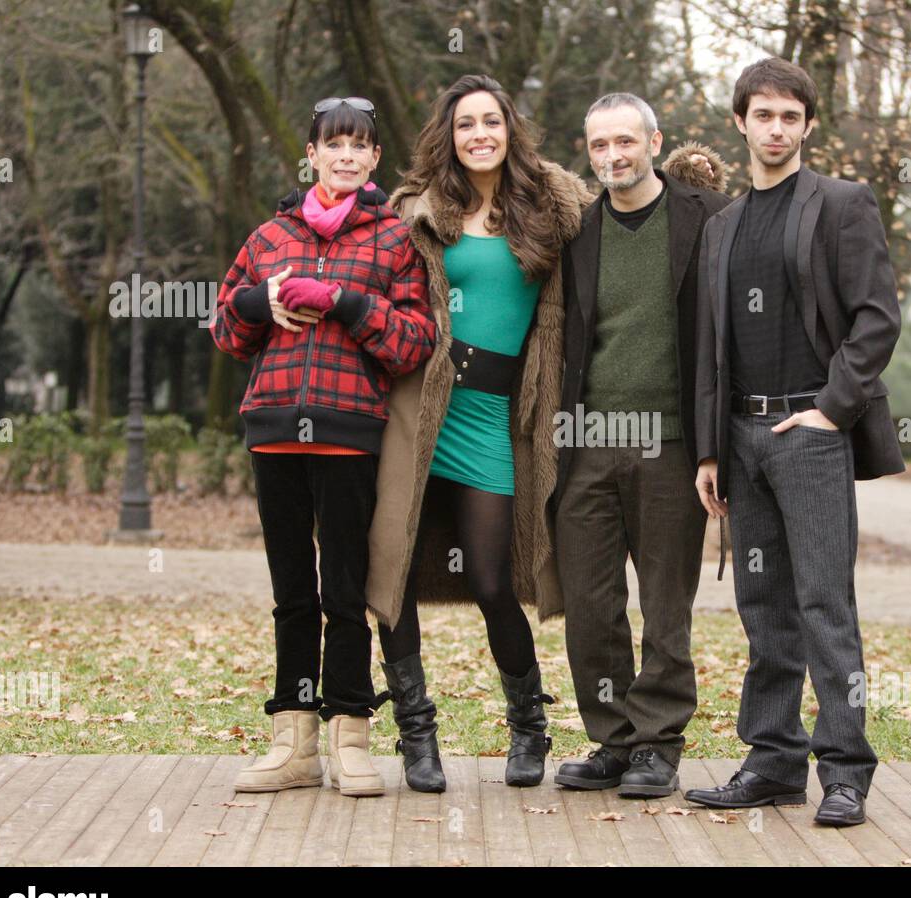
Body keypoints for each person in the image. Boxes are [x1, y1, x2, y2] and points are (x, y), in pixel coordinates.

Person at [365, 75, 722, 792]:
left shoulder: (552, 207)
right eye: (465, 124)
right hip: (424, 410)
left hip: (506, 416)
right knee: (399, 573)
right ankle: (422, 736)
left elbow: (651, 206)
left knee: (501, 579)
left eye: (490, 121)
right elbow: (367, 271)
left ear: (510, 129)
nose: (478, 136)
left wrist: (688, 176)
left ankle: (540, 727)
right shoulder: (416, 211)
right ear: (449, 134)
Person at [687, 58, 905, 826]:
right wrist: (709, 450)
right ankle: (772, 762)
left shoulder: (843, 205)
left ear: (808, 125)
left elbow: (877, 319)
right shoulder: (722, 225)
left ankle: (845, 771)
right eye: (763, 115)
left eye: (790, 116)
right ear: (740, 122)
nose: (776, 128)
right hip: (740, 439)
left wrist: (829, 411)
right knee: (762, 606)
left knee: (824, 604)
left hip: (809, 437)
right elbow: (712, 348)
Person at [210, 96, 435, 798]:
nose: (344, 155)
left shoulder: (394, 240)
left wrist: (347, 303)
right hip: (273, 429)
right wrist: (258, 303)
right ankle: (294, 740)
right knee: (290, 593)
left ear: (373, 160)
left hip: (349, 434)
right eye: (331, 144)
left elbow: (415, 343)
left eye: (358, 146)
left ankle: (351, 734)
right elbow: (223, 325)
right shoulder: (269, 236)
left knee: (343, 590)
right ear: (310, 153)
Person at [552, 93, 731, 798]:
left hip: (672, 445)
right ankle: (613, 740)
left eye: (625, 142)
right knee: (591, 606)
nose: (612, 157)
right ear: (586, 150)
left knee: (664, 605)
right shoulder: (578, 233)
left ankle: (658, 743)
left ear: (655, 142)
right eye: (598, 146)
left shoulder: (708, 220)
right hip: (588, 444)